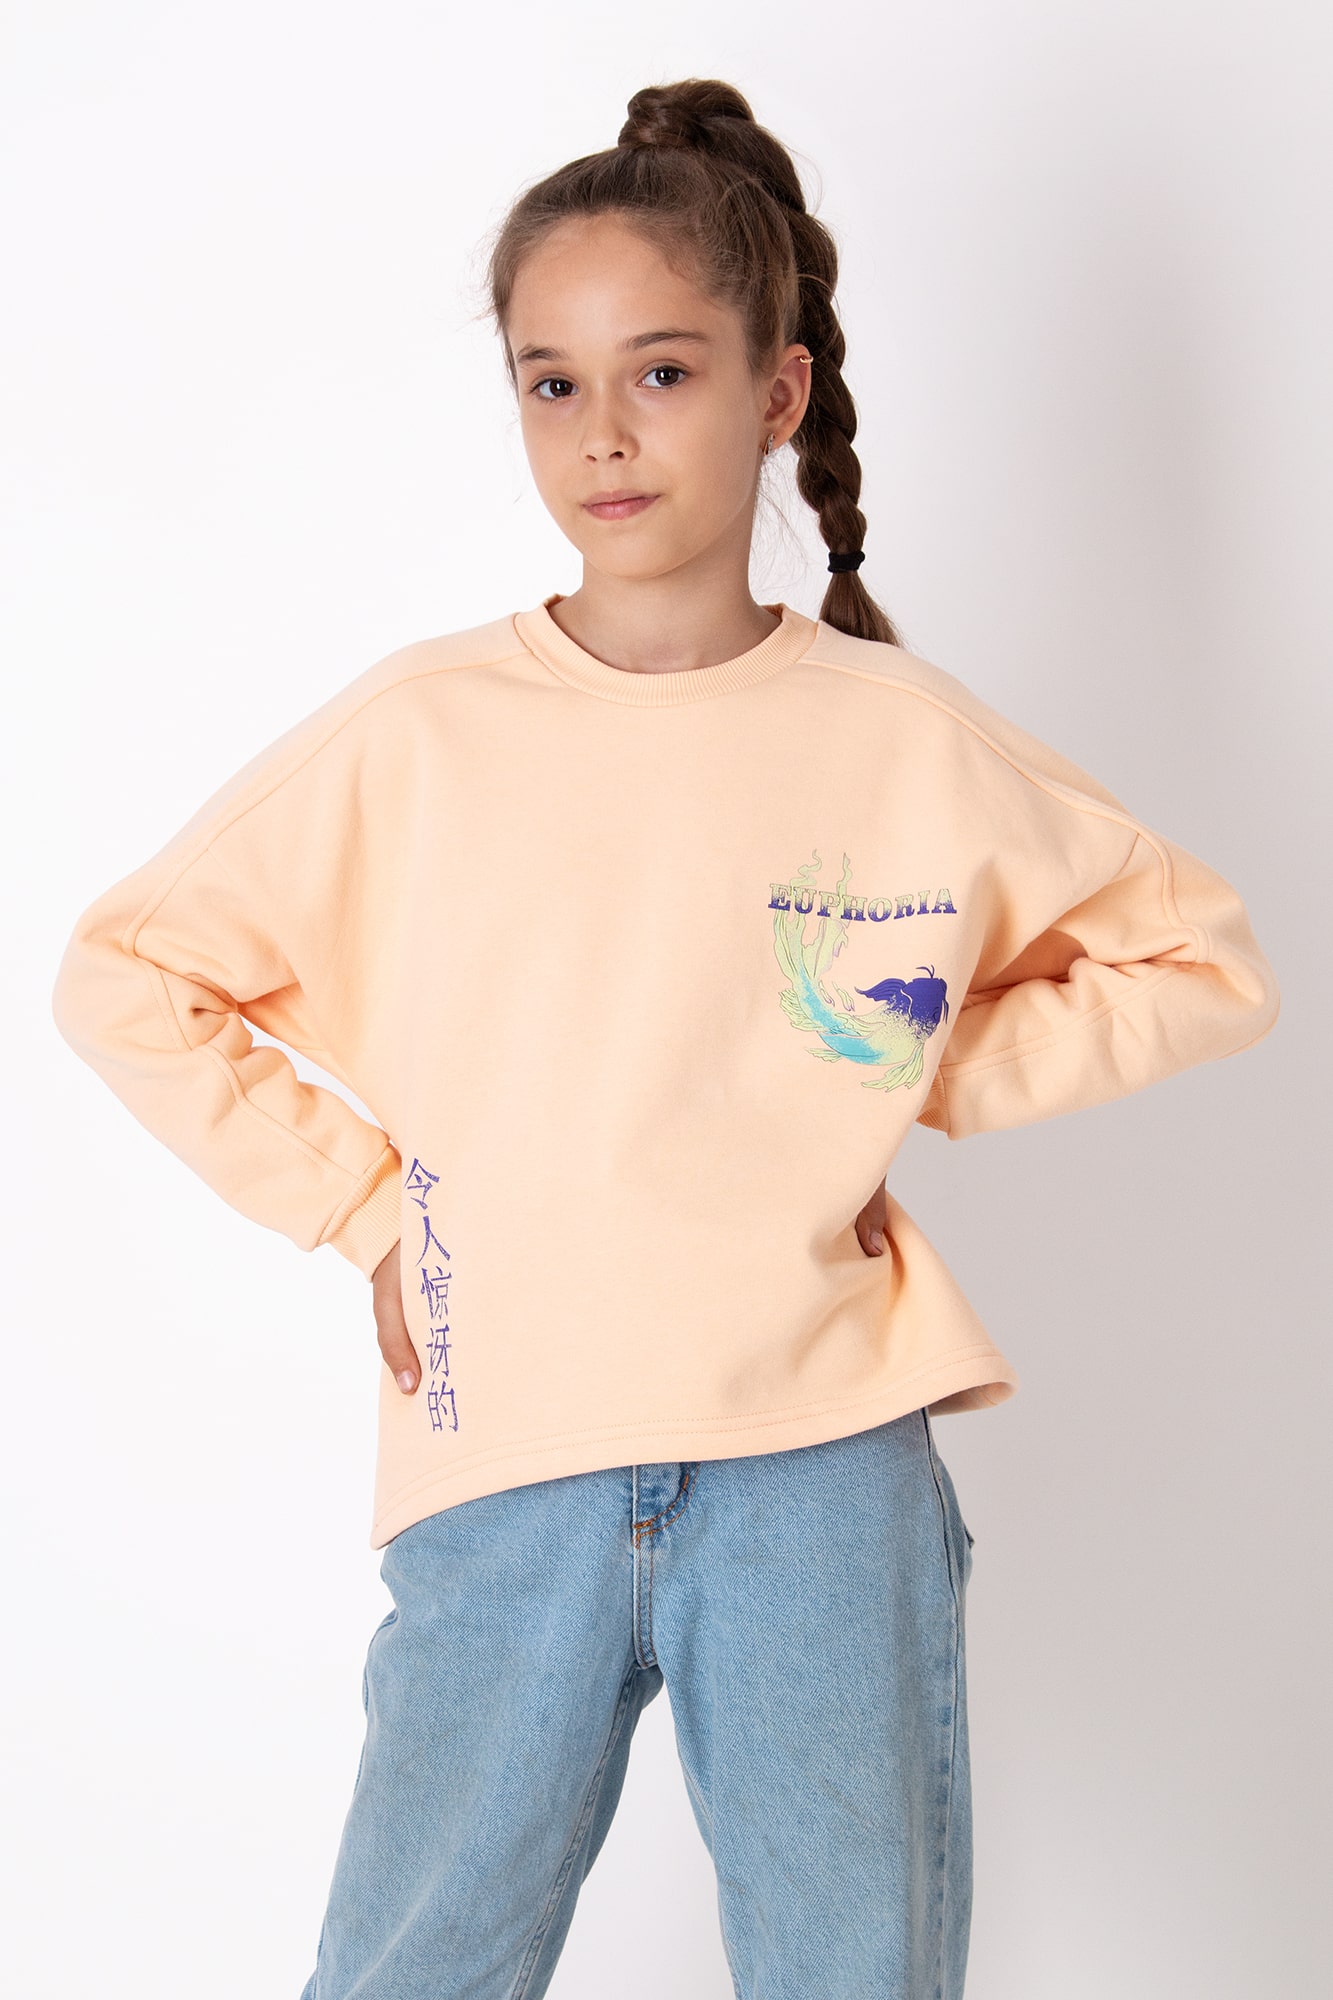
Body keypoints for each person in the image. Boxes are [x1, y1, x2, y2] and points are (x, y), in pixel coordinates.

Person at [50, 75, 1279, 2000]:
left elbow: (1198, 961)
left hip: (819, 1470)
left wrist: (889, 1066)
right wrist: (364, 1212)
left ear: (778, 394)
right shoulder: (418, 734)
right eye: (550, 382)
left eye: (662, 373)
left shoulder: (897, 734)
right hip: (505, 1455)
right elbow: (128, 969)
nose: (602, 433)